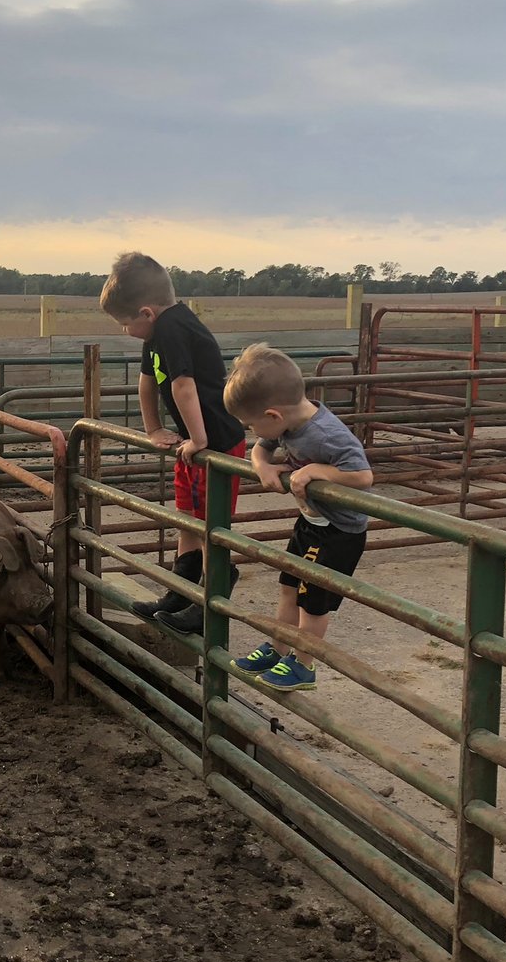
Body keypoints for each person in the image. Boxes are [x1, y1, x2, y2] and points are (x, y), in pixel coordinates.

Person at [99, 251, 247, 633]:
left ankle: (211, 596)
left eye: (124, 323)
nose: (124, 330)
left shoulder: (173, 329)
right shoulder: (157, 332)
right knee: (186, 520)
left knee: (208, 525)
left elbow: (183, 384)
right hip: (193, 443)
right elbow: (148, 381)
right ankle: (180, 594)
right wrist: (153, 430)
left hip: (216, 444)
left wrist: (199, 439)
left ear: (147, 313)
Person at [221, 342, 373, 691]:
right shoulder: (288, 423)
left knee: (313, 603)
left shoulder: (326, 435)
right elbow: (262, 448)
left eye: (250, 424)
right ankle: (279, 648)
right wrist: (262, 466)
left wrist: (319, 470)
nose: (251, 432)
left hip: (338, 532)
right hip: (311, 522)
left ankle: (304, 665)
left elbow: (363, 477)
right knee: (289, 588)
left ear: (273, 416)